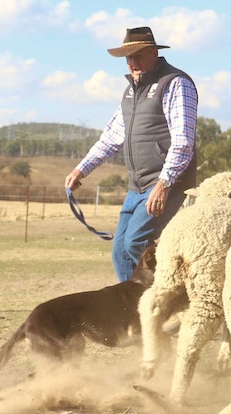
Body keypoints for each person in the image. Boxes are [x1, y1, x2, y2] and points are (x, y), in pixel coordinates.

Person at [65, 26, 198, 282]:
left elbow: (183, 141)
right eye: (128, 57)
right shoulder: (130, 92)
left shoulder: (175, 83)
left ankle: (167, 297)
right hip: (136, 186)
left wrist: (164, 183)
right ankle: (133, 314)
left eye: (137, 55)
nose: (132, 63)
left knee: (136, 242)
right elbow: (112, 138)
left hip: (164, 183)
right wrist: (81, 169)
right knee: (120, 252)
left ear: (153, 52)